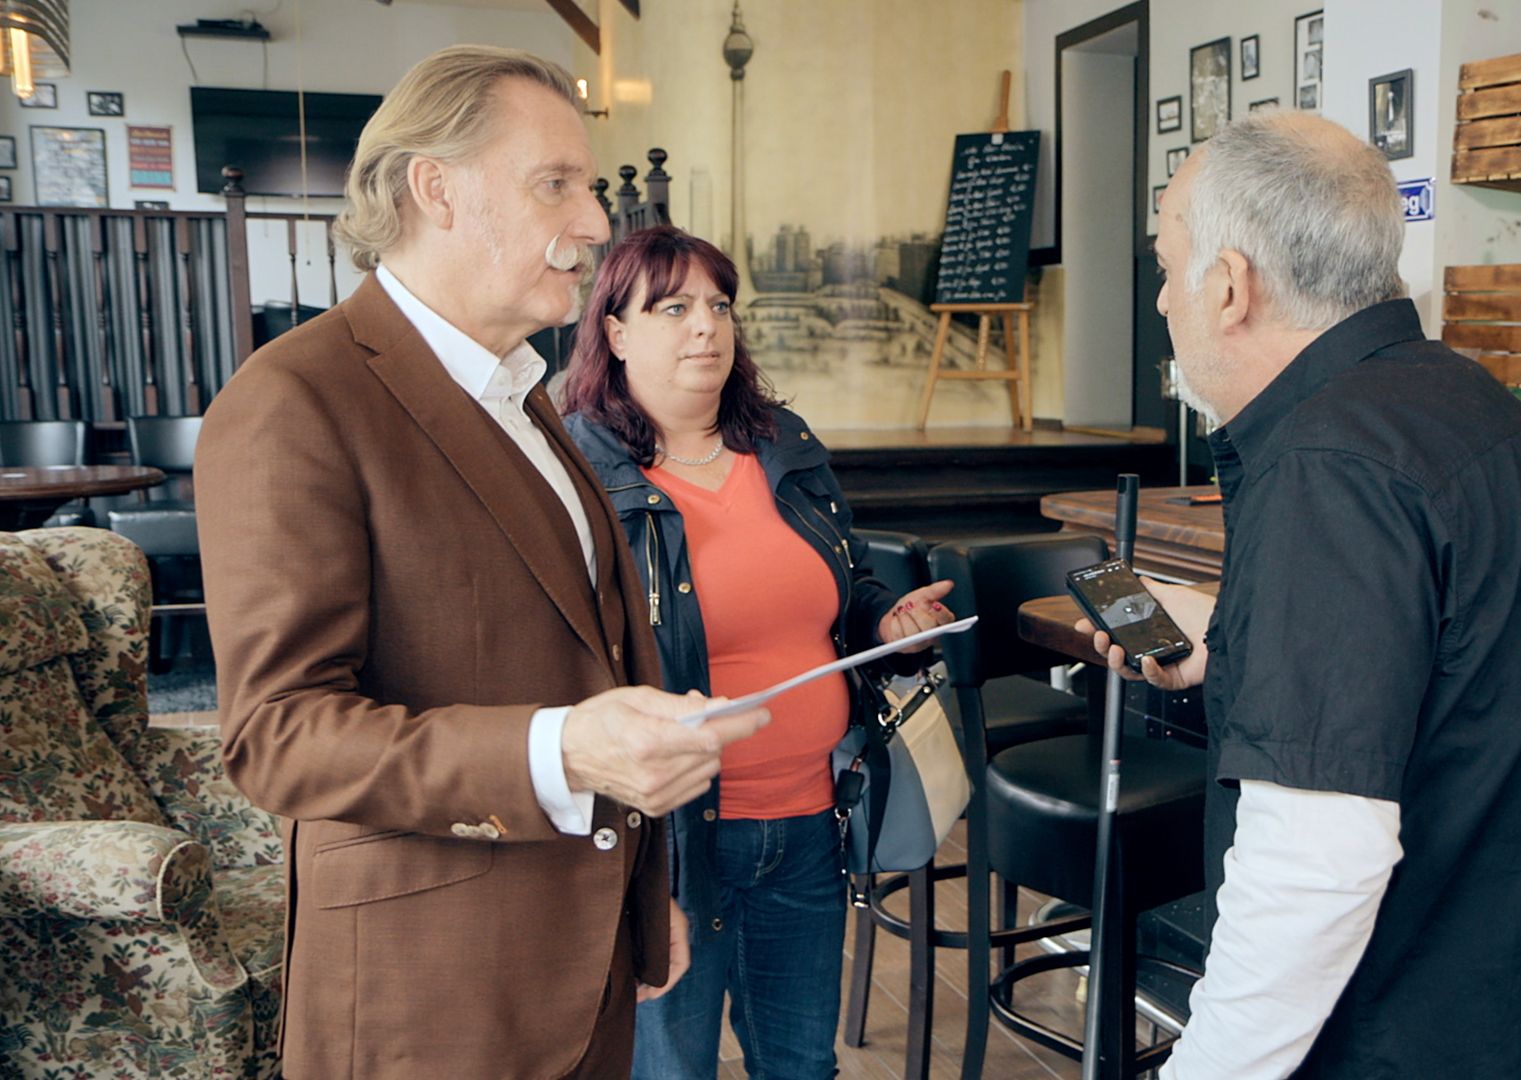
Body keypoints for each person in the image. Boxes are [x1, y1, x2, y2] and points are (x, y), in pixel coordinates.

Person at [196, 47, 770, 1079]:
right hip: (430, 995)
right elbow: (279, 735)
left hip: (583, 964)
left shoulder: (523, 395)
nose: (593, 222)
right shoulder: (294, 399)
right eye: (557, 184)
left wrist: (639, 900)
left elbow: (581, 656)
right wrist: (565, 753)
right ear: (436, 189)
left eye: (588, 188)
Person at [1080, 113, 1521, 1077]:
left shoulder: (1329, 465)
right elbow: (1446, 677)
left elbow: (1314, 864)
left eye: (1166, 266)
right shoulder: (1460, 398)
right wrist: (1239, 640)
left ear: (1230, 286)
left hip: (1433, 1025)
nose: (1162, 299)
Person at [560, 225, 956, 1080]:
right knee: (672, 1071)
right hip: (670, 844)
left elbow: (845, 590)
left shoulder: (784, 445)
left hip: (810, 821)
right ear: (616, 333)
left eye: (719, 305)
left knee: (802, 1066)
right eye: (673, 309)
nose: (706, 325)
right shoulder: (579, 476)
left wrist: (888, 625)